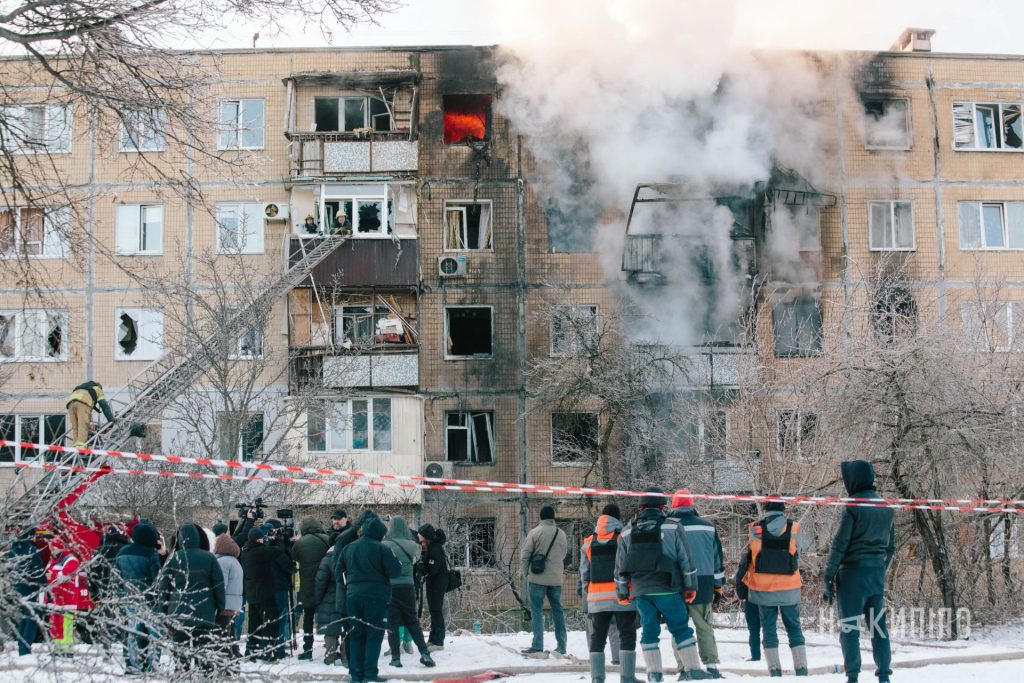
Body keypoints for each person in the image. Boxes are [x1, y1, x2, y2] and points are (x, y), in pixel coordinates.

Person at [615, 488, 712, 681]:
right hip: (668, 587)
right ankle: (693, 670)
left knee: (649, 631)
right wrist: (691, 587)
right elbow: (686, 560)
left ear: (641, 507)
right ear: (662, 505)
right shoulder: (672, 526)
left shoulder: (626, 531)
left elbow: (619, 566)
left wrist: (622, 592)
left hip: (641, 591)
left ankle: (654, 674)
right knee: (680, 628)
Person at [823, 460, 896, 683]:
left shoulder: (852, 506)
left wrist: (828, 577)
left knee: (850, 628)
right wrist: (880, 569)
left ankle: (853, 676)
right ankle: (884, 676)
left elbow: (839, 545)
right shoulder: (886, 507)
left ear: (853, 479)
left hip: (852, 575)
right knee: (878, 628)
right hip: (875, 575)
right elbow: (890, 548)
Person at [739, 501, 807, 677]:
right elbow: (798, 551)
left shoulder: (754, 528)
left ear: (766, 510)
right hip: (789, 589)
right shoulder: (794, 527)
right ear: (783, 509)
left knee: (768, 629)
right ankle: (801, 669)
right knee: (794, 628)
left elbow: (752, 554)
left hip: (763, 589)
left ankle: (775, 671)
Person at [668, 491, 725, 679]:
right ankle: (711, 667)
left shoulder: (668, 526)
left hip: (677, 585)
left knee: (678, 627)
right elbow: (717, 559)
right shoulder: (708, 526)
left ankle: (684, 668)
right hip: (704, 583)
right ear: (692, 505)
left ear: (673, 506)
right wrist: (718, 585)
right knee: (704, 626)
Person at [338, 515, 401, 683]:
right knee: (374, 635)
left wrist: (350, 586)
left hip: (353, 598)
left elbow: (338, 573)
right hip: (376, 598)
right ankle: (370, 674)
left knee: (356, 635)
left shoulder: (348, 548)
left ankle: (356, 675)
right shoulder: (382, 549)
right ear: (379, 533)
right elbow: (396, 571)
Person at [581, 504, 639, 683]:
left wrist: (589, 593)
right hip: (622, 595)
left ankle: (597, 678)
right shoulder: (624, 537)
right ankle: (627, 677)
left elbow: (584, 574)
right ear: (618, 519)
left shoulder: (588, 542)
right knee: (627, 634)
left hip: (597, 598)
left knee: (598, 636)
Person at [158, 523, 225, 673]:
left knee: (181, 660)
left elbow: (164, 588)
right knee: (204, 658)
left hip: (178, 615)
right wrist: (220, 608)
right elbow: (219, 586)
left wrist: (163, 611)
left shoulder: (174, 558)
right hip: (204, 615)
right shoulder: (209, 558)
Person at [382, 516, 435, 668]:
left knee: (392, 623)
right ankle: (424, 653)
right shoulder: (414, 546)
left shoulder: (384, 545)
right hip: (408, 587)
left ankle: (396, 658)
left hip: (391, 588)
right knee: (412, 621)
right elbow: (416, 562)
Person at [520, 506, 568, 655]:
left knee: (536, 611)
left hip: (537, 578)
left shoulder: (535, 532)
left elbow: (525, 555)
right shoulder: (561, 534)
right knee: (558, 611)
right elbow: (564, 554)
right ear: (553, 517)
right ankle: (562, 646)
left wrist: (525, 573)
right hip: (556, 579)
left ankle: (537, 645)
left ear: (541, 517)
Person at [114, 521, 161, 673]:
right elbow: (157, 579)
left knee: (133, 632)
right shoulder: (151, 554)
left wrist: (121, 595)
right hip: (149, 599)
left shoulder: (122, 552)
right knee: (154, 633)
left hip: (129, 598)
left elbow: (116, 578)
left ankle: (134, 664)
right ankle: (152, 665)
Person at [239, 526, 290, 660]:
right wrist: (278, 539)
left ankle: (251, 650)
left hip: (252, 594)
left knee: (254, 623)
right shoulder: (261, 552)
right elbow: (278, 551)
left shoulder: (245, 552)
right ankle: (267, 651)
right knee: (270, 622)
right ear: (258, 539)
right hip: (265, 593)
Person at [293, 517, 331, 660]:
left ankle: (307, 648)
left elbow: (294, 556)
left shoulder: (300, 542)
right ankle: (331, 647)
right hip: (325, 585)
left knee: (308, 619)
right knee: (328, 617)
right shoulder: (327, 539)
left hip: (307, 586)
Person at [44, 534, 85, 654]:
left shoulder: (71, 560)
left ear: (61, 547)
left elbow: (66, 576)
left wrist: (51, 576)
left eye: (54, 548)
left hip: (67, 598)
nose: (52, 551)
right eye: (51, 548)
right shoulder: (53, 559)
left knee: (66, 624)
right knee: (55, 624)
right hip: (54, 597)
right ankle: (57, 648)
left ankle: (67, 650)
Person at [8, 526, 44, 656]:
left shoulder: (13, 549)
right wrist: (45, 585)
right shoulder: (30, 550)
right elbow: (38, 571)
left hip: (18, 588)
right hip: (30, 589)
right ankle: (25, 649)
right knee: (32, 619)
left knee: (24, 618)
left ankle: (21, 646)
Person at [417, 523, 449, 651]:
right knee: (433, 611)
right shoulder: (430, 547)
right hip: (433, 583)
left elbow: (433, 568)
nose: (419, 538)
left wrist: (423, 565)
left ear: (426, 537)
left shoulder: (435, 549)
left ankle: (438, 641)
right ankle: (433, 638)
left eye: (420, 536)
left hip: (438, 584)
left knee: (436, 611)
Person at [214, 532, 244, 668]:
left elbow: (221, 585)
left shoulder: (223, 562)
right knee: (230, 634)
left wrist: (216, 602)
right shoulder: (234, 561)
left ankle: (228, 664)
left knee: (221, 635)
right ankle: (234, 658)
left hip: (225, 604)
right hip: (234, 603)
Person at [314, 542, 345, 666]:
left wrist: (318, 599)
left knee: (330, 629)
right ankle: (346, 657)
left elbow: (320, 581)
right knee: (346, 628)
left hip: (329, 598)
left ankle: (330, 656)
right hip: (346, 597)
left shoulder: (327, 560)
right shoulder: (349, 556)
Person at [66, 380, 114, 447]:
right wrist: (111, 420)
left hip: (70, 404)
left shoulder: (84, 388)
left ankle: (75, 447)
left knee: (75, 427)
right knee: (83, 425)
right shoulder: (97, 389)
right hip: (82, 403)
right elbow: (104, 405)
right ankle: (81, 447)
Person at [734, 551, 761, 662]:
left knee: (754, 629)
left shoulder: (749, 555)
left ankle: (756, 656)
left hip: (752, 596)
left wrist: (742, 595)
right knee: (770, 629)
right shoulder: (775, 550)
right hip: (770, 596)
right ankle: (773, 657)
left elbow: (740, 576)